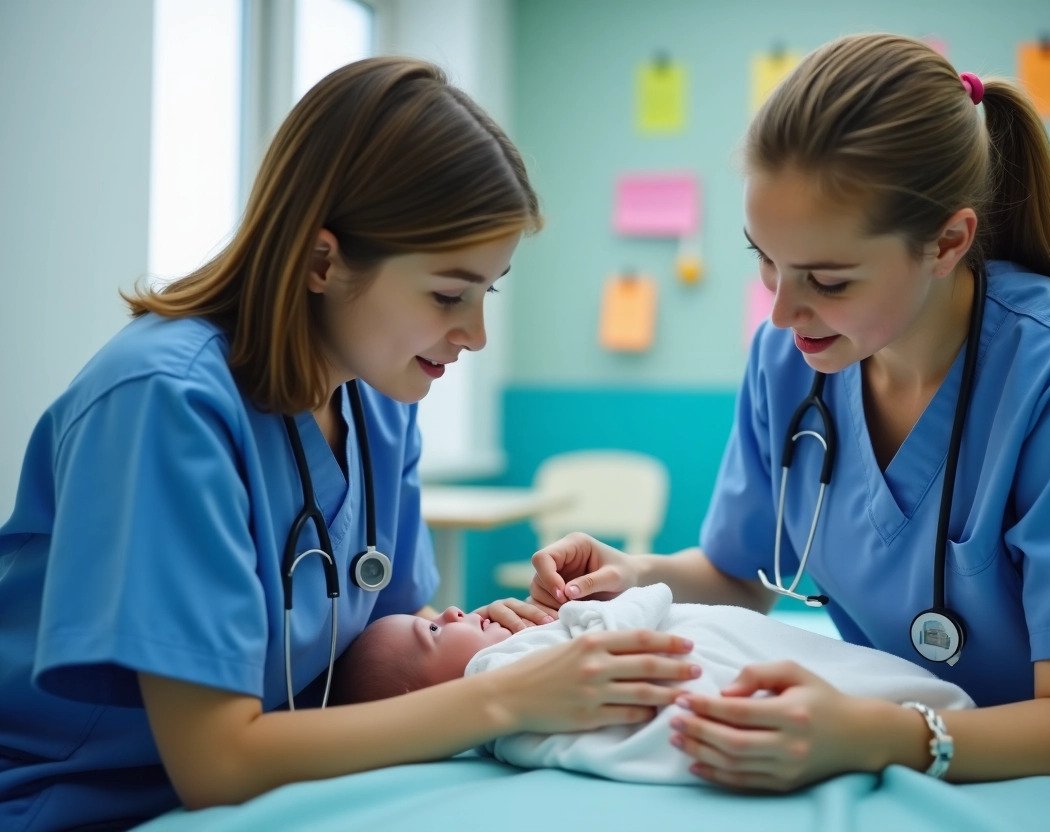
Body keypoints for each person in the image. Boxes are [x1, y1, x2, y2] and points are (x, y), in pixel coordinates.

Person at [526, 33, 1050, 832]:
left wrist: (873, 734)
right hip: (911, 755)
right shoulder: (792, 363)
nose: (782, 312)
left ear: (948, 242)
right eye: (766, 262)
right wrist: (635, 573)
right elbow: (736, 570)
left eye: (827, 279)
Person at [0, 58, 697, 832]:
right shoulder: (164, 402)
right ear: (322, 261)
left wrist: (469, 642)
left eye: (486, 292)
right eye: (447, 294)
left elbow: (369, 649)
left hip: (288, 787)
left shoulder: (378, 400)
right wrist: (506, 695)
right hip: (76, 802)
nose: (475, 334)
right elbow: (215, 763)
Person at [331, 584, 975, 785]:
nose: (448, 612)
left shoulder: (509, 717)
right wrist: (597, 609)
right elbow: (644, 610)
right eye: (434, 636)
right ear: (431, 707)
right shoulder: (503, 680)